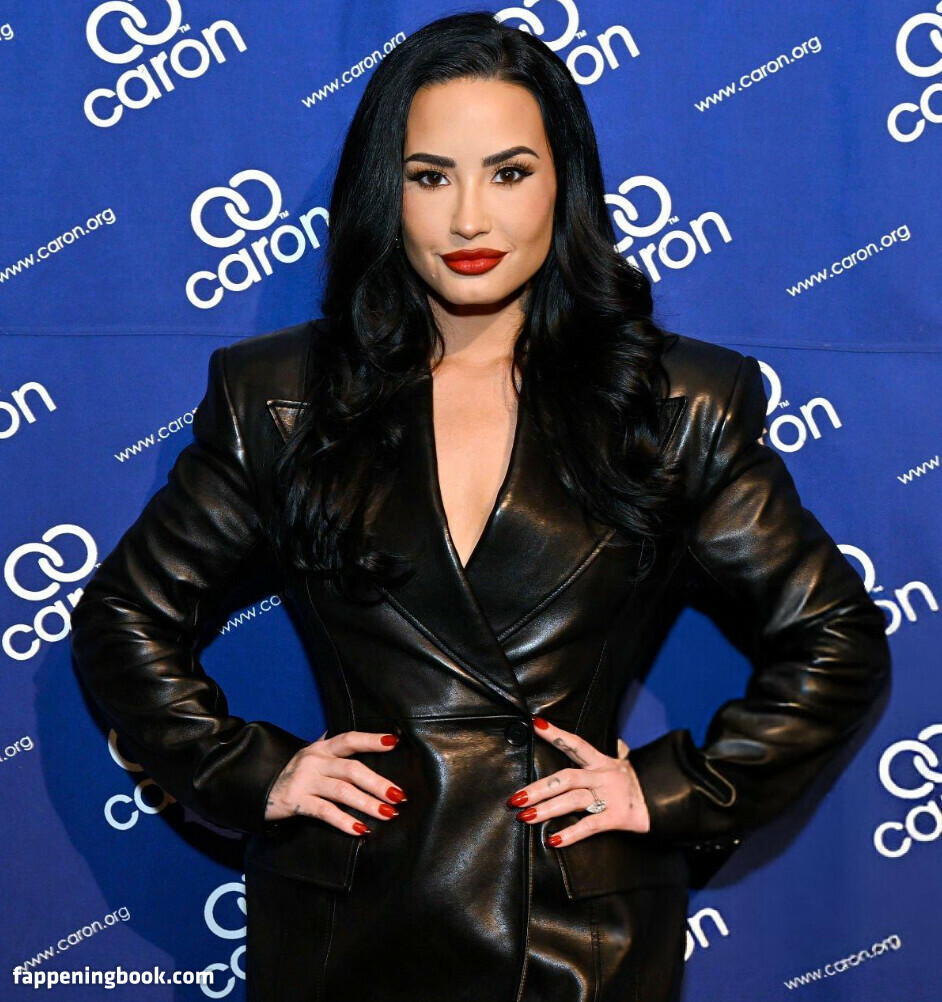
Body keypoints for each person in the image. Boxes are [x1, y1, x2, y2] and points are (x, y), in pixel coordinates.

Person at [70, 11, 891, 1002]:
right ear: (385, 191)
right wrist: (250, 770)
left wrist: (672, 790)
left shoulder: (677, 404)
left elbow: (835, 640)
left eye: (508, 173)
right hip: (346, 929)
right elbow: (124, 617)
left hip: (576, 941)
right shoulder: (282, 398)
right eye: (430, 177)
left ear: (564, 185)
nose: (468, 220)